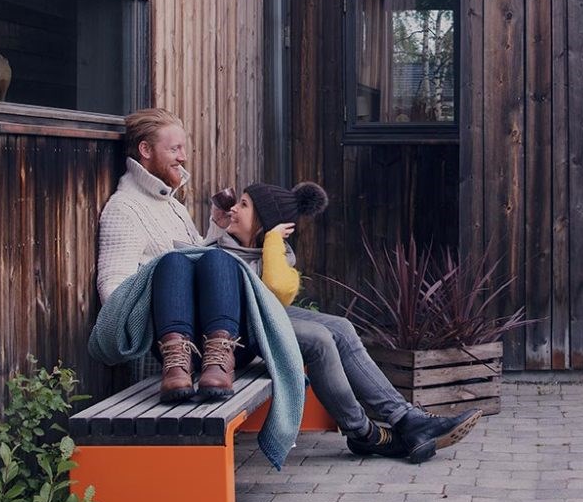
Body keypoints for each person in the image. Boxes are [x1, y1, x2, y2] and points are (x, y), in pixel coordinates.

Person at [213, 180, 483, 464]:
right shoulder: (225, 247)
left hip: (263, 315)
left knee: (342, 327)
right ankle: (363, 432)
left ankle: (406, 420)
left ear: (263, 222)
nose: (234, 209)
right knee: (319, 340)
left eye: (243, 205)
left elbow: (276, 294)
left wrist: (271, 243)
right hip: (237, 331)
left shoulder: (278, 254)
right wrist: (263, 237)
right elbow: (268, 295)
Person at [93, 108, 257, 403]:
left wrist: (215, 231)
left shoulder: (173, 206)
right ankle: (177, 365)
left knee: (216, 258)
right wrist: (153, 295)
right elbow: (113, 291)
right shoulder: (124, 209)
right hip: (168, 343)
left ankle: (220, 361)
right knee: (172, 262)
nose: (183, 157)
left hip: (217, 342)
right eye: (174, 149)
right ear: (145, 150)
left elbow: (201, 265)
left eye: (184, 148)